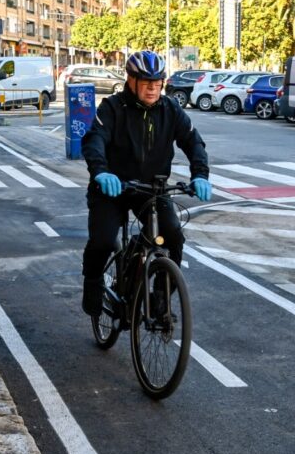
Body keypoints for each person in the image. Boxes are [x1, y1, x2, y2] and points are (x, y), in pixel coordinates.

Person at [79, 50, 211, 317]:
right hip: (112, 188)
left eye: (157, 82)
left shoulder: (170, 109)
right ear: (131, 81)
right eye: (145, 82)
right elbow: (95, 140)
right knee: (103, 241)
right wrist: (101, 172)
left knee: (172, 236)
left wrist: (200, 174)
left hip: (152, 189)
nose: (152, 88)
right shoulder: (113, 107)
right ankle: (92, 282)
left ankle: (161, 296)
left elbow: (193, 142)